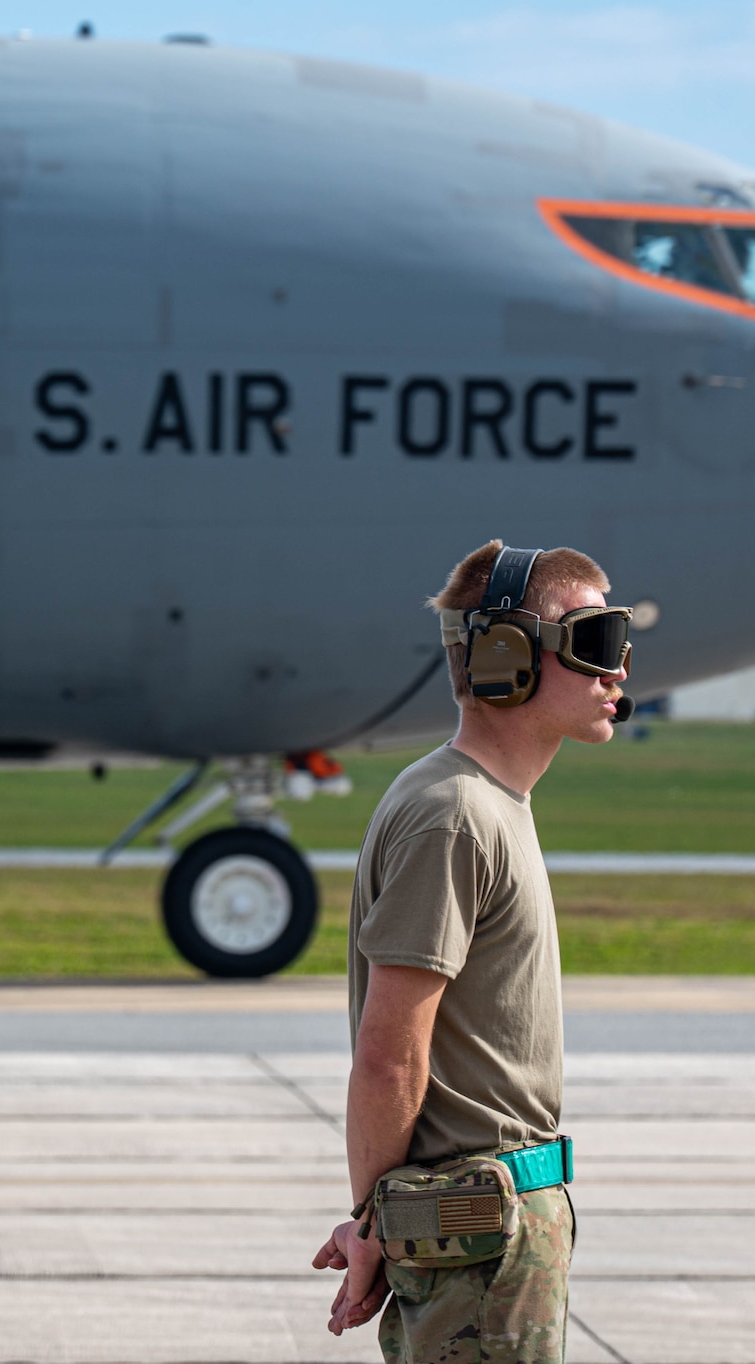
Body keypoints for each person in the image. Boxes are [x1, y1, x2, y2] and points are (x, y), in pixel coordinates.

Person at [312, 540, 633, 1364]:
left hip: (494, 1240)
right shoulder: (454, 815)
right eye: (595, 641)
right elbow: (390, 1055)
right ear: (507, 656)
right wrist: (373, 1226)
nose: (618, 670)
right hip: (479, 1249)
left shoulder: (483, 804)